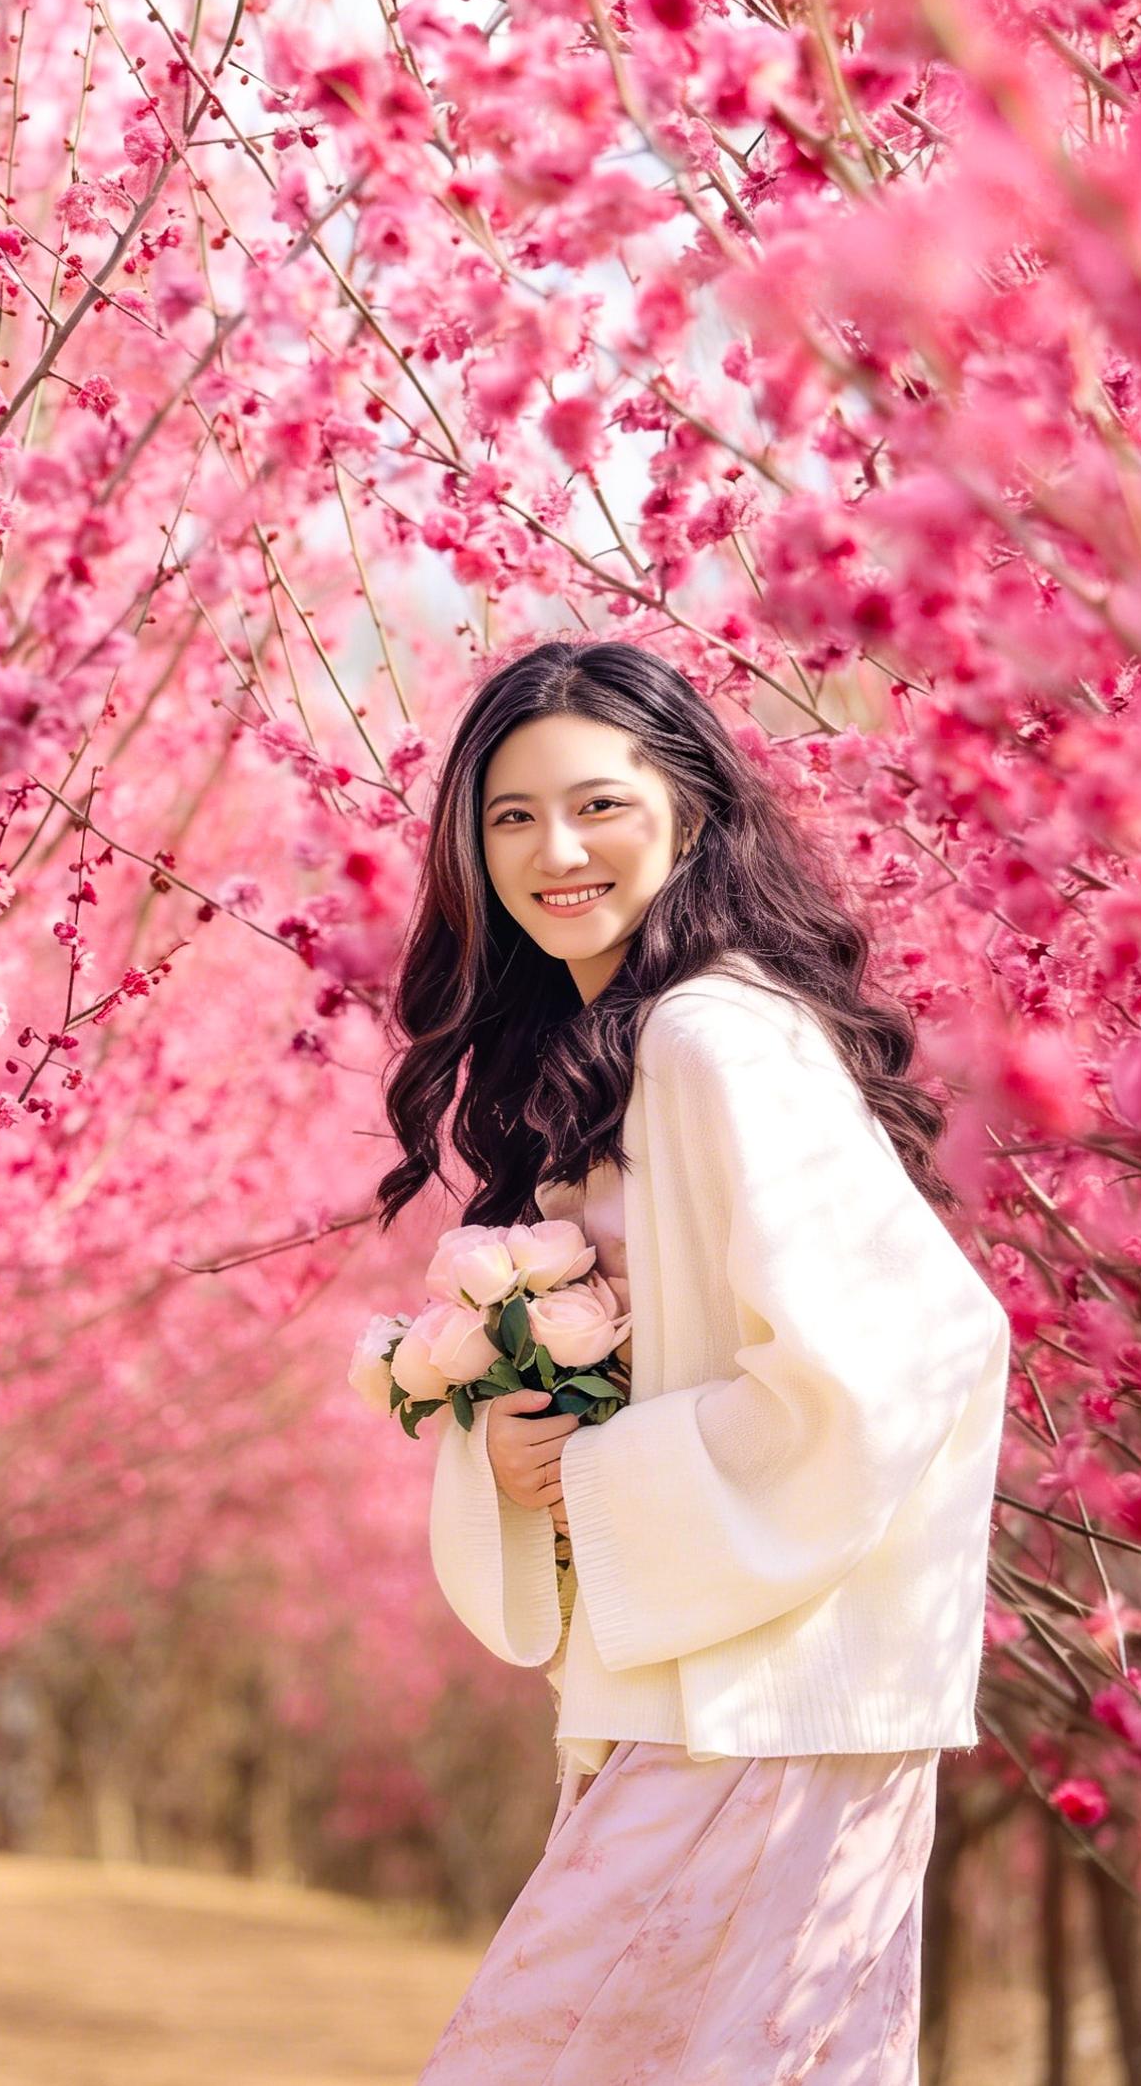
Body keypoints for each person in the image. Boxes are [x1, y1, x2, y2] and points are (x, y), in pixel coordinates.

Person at [373, 636, 1011, 2084]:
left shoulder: (715, 1040)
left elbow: (917, 1350)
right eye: (511, 816)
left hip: (763, 1713)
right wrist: (516, 1445)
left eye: (598, 803)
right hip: (709, 1693)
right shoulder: (629, 1047)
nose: (555, 851)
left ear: (690, 807)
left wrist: (601, 1473)